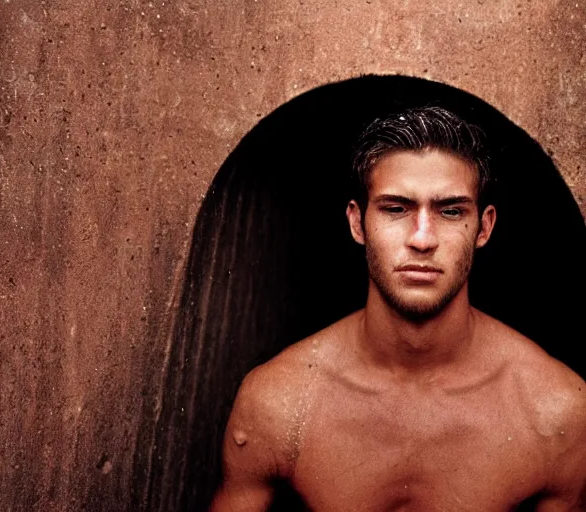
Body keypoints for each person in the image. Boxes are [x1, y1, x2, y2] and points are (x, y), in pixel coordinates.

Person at [210, 106, 586, 511]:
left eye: (451, 211)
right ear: (357, 224)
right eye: (396, 208)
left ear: (484, 227)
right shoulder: (279, 402)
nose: (422, 240)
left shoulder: (555, 412)